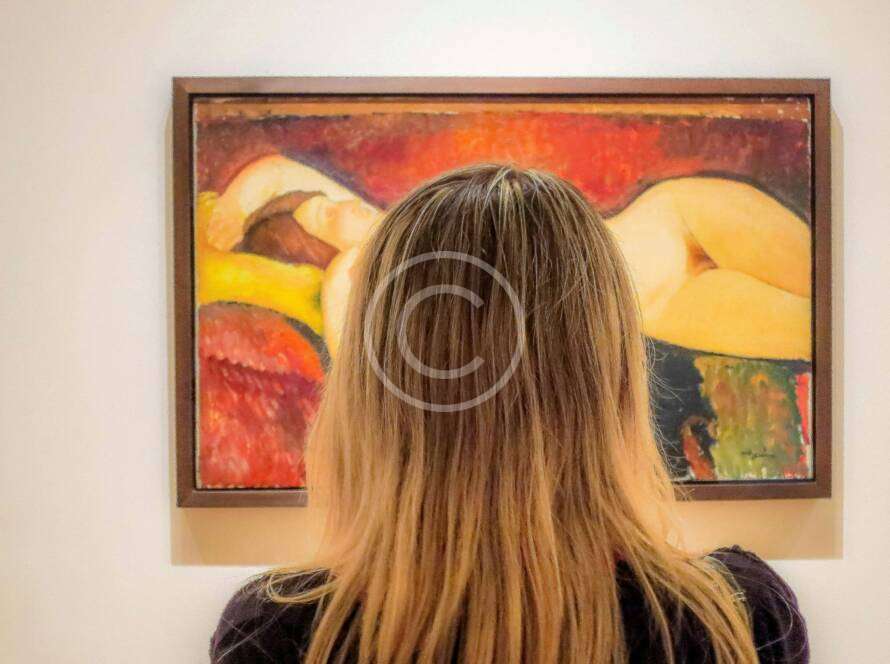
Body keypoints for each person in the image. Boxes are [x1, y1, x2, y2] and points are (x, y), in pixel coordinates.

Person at [210, 164, 808, 663]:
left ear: (367, 405)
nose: (335, 212)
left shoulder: (280, 634)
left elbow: (269, 177)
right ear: (614, 384)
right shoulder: (735, 619)